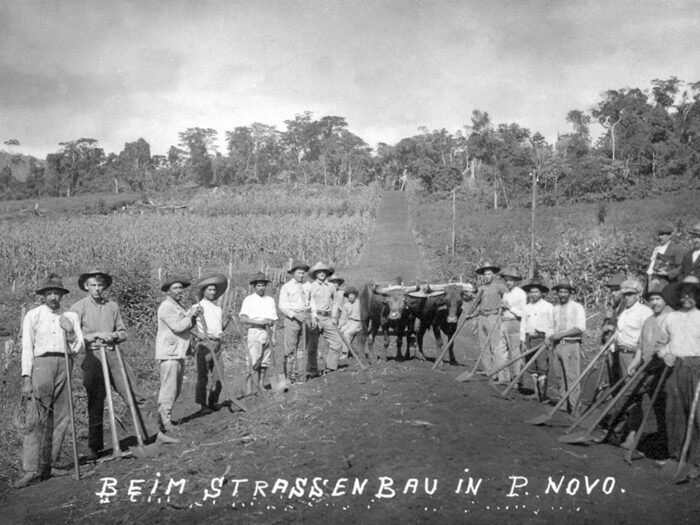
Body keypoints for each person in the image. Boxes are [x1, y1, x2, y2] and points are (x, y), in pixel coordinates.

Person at [72, 268, 175, 462]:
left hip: (114, 355)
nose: (97, 289)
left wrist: (114, 335)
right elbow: (74, 338)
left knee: (135, 394)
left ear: (104, 286)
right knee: (95, 402)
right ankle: (95, 448)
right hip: (93, 357)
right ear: (86, 286)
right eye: (93, 285)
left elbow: (123, 331)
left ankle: (153, 434)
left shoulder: (112, 306)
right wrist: (94, 336)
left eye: (100, 285)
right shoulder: (78, 308)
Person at [14, 274, 84, 489]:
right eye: (49, 293)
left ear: (62, 295)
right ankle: (31, 469)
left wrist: (70, 331)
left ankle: (49, 465)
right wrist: (27, 378)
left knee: (62, 415)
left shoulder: (70, 315)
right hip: (41, 364)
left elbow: (79, 346)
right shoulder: (34, 315)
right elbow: (27, 347)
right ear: (43, 296)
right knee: (36, 416)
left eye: (57, 293)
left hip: (64, 363)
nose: (53, 297)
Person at [614, 282, 673, 450]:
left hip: (663, 370)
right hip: (645, 368)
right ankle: (628, 434)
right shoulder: (649, 320)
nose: (654, 302)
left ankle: (663, 444)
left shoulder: (672, 318)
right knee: (629, 396)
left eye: (658, 299)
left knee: (661, 407)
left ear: (666, 300)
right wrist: (634, 363)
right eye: (652, 299)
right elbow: (640, 346)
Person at [657, 276, 700, 479]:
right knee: (674, 412)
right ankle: (676, 456)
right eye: (683, 293)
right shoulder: (670, 318)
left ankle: (696, 461)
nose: (686, 296)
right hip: (676, 368)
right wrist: (665, 353)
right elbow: (660, 343)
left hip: (697, 367)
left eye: (690, 293)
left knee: (697, 414)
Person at [156, 274, 201, 434]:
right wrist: (191, 315)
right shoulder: (166, 307)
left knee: (176, 389)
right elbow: (178, 326)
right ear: (168, 291)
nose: (179, 290)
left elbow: (187, 325)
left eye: (180, 287)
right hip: (169, 352)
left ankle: (163, 419)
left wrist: (193, 316)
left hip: (178, 351)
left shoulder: (178, 306)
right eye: (175, 288)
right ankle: (164, 421)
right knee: (169, 388)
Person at [191, 273, 228, 414]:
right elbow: (188, 326)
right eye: (209, 290)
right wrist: (199, 335)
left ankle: (213, 402)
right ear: (204, 291)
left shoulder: (217, 308)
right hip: (205, 345)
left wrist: (228, 319)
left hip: (217, 343)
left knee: (219, 376)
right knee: (203, 376)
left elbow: (220, 328)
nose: (212, 292)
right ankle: (202, 405)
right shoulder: (197, 307)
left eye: (214, 290)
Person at [550, 278, 586, 414]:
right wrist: (551, 338)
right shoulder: (555, 309)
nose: (563, 294)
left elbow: (580, 328)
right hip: (557, 346)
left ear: (570, 293)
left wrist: (561, 335)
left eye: (565, 292)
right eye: (561, 292)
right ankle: (563, 404)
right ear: (557, 293)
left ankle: (575, 408)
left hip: (571, 345)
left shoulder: (577, 307)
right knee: (559, 377)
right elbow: (552, 328)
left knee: (572, 377)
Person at [240, 272, 278, 391]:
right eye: (259, 286)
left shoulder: (270, 300)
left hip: (268, 332)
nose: (261, 288)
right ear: (254, 286)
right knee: (253, 361)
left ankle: (261, 384)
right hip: (255, 331)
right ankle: (249, 389)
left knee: (264, 361)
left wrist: (274, 336)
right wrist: (260, 322)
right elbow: (243, 318)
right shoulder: (249, 299)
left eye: (263, 285)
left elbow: (275, 319)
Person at [520, 277, 554, 402]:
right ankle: (536, 393)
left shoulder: (548, 307)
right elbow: (523, 325)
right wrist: (522, 341)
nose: (533, 294)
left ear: (541, 293)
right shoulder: (526, 307)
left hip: (542, 339)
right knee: (531, 366)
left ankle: (543, 395)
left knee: (542, 366)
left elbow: (551, 325)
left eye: (536, 292)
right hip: (530, 339)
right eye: (531, 292)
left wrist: (548, 339)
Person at [306, 261, 344, 374]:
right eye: (319, 271)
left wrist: (334, 317)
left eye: (324, 271)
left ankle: (330, 367)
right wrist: (311, 317)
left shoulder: (331, 286)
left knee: (337, 341)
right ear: (315, 274)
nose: (322, 273)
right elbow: (307, 303)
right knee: (313, 345)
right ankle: (312, 370)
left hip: (327, 318)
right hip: (314, 318)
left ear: (327, 274)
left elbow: (336, 302)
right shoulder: (310, 287)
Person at [278, 260, 312, 382]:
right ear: (293, 273)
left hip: (304, 319)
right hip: (292, 320)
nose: (301, 275)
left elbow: (311, 302)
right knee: (290, 349)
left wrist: (309, 315)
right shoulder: (287, 287)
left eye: (303, 273)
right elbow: (282, 306)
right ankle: (288, 377)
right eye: (298, 273)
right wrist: (295, 315)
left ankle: (300, 375)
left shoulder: (308, 286)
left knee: (302, 349)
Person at [613, 279, 653, 383]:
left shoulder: (645, 312)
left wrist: (639, 359)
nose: (626, 297)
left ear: (637, 295)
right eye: (624, 295)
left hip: (635, 355)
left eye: (630, 294)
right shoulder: (623, 311)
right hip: (622, 353)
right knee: (626, 384)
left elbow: (648, 338)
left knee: (634, 388)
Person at [474, 261, 508, 376]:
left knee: (495, 345)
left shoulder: (499, 286)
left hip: (494, 316)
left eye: (489, 274)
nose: (487, 276)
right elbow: (478, 304)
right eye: (485, 274)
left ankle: (498, 371)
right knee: (483, 345)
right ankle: (488, 369)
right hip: (482, 317)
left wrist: (504, 307)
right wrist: (472, 315)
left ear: (494, 275)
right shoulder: (481, 288)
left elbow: (508, 298)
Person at [495, 266, 527, 384]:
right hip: (504, 322)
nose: (508, 282)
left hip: (515, 323)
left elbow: (523, 313)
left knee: (515, 353)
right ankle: (504, 378)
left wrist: (509, 307)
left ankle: (517, 379)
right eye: (506, 280)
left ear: (515, 281)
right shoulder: (506, 293)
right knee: (500, 351)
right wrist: (502, 307)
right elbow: (504, 307)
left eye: (510, 280)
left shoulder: (521, 294)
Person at [646, 223, 684, 289]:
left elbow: (681, 267)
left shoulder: (676, 248)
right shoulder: (656, 248)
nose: (660, 237)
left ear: (669, 236)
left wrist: (668, 273)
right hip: (650, 278)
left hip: (663, 281)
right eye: (659, 234)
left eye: (663, 235)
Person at [338, 286, 362, 359]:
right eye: (349, 295)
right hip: (349, 322)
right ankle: (341, 350)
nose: (351, 297)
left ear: (355, 296)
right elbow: (343, 317)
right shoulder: (346, 305)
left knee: (347, 333)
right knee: (340, 331)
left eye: (352, 295)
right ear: (347, 296)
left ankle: (345, 353)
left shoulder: (359, 303)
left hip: (358, 323)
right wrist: (340, 325)